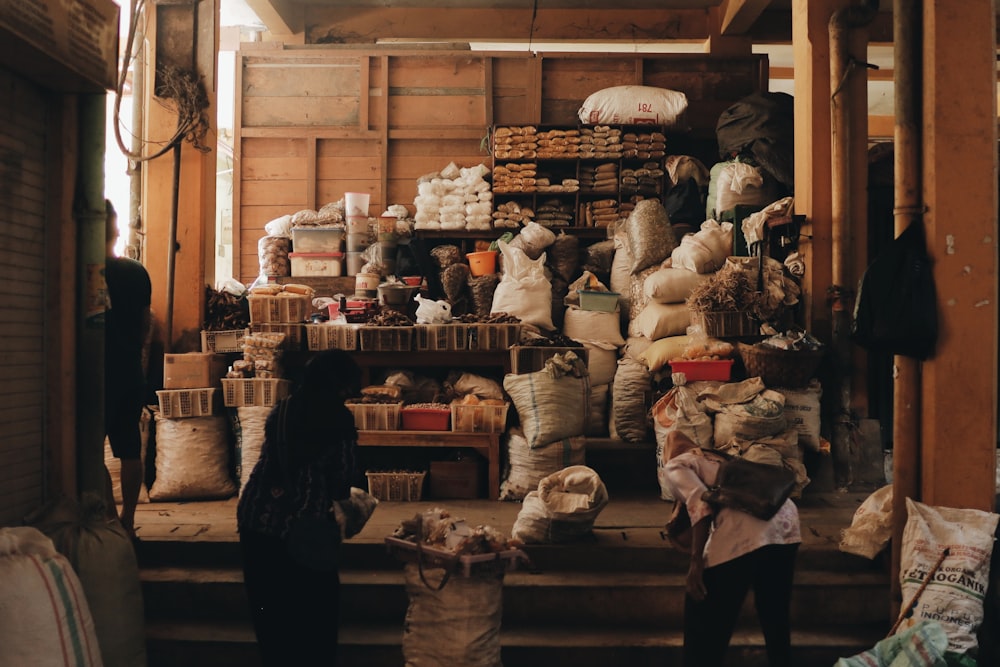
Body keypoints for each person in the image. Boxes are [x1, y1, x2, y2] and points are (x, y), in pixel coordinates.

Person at [236, 349, 364, 666]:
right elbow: (340, 483)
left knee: (271, 615)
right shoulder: (339, 419)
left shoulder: (282, 409)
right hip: (304, 526)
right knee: (314, 619)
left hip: (257, 517)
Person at [663, 430, 801, 667]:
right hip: (786, 520)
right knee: (774, 616)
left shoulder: (676, 464)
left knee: (703, 613)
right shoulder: (720, 459)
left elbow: (701, 504)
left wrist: (696, 563)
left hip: (746, 526)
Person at [103, 199, 152, 540]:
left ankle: (108, 519)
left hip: (95, 373)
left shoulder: (88, 272)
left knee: (93, 451)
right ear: (117, 232)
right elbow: (145, 323)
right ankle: (128, 520)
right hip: (130, 369)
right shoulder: (137, 272)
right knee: (130, 448)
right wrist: (136, 353)